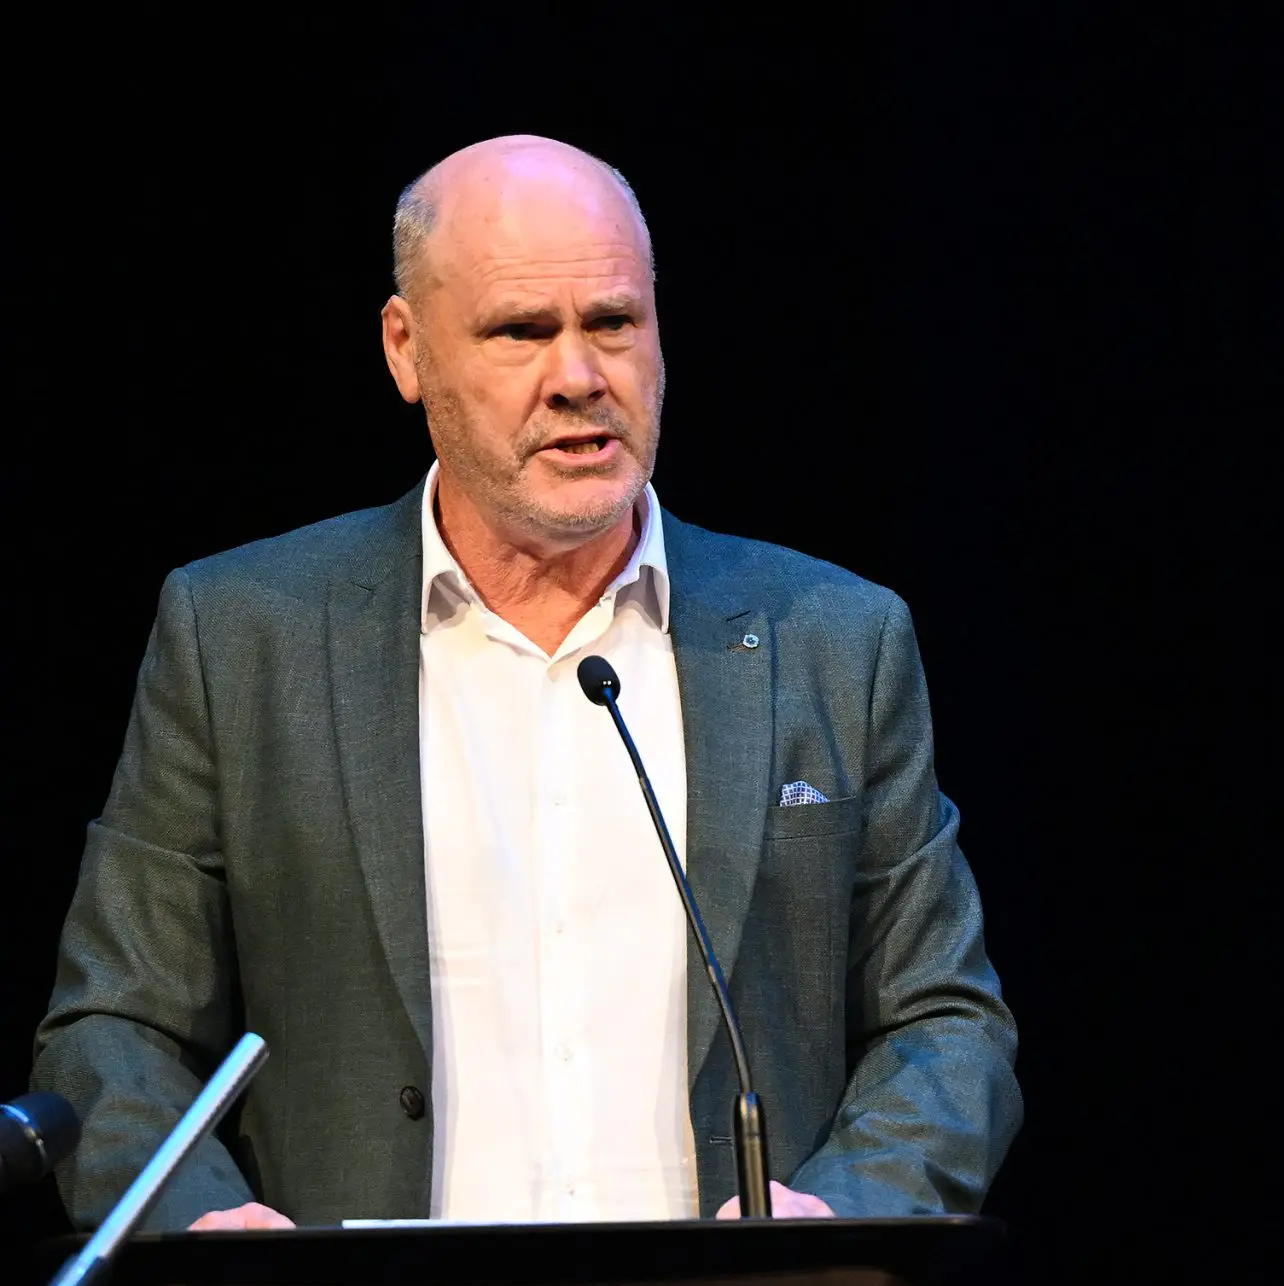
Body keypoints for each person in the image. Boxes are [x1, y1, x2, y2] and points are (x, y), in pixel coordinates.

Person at [36, 136, 1020, 1230]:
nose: (578, 377)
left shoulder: (834, 640)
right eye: (520, 332)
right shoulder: (243, 638)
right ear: (406, 351)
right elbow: (113, 1032)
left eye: (613, 323)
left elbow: (945, 1025)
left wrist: (835, 1220)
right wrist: (209, 1237)